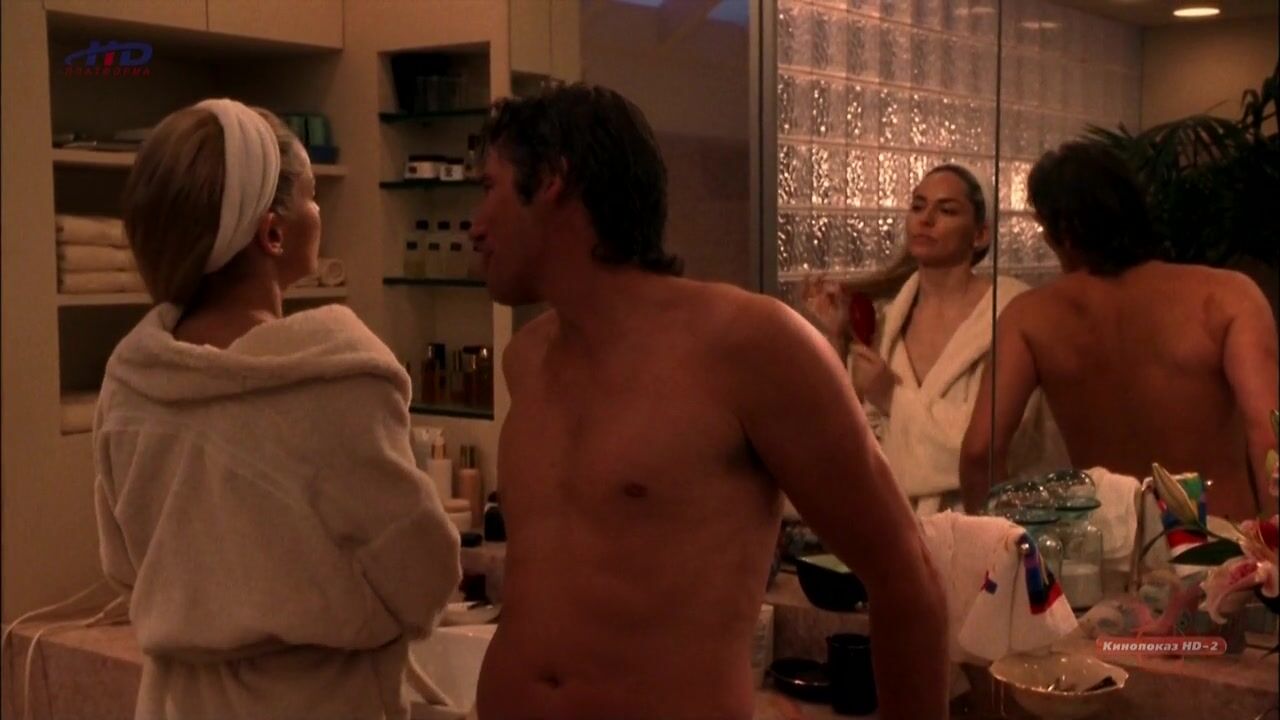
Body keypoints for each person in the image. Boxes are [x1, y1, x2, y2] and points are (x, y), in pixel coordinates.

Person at [467, 84, 948, 720]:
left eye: (489, 187)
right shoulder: (526, 360)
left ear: (553, 178)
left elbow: (905, 575)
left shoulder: (752, 345)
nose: (475, 226)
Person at [95, 99, 461, 719]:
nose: (320, 213)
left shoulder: (131, 385)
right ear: (272, 232)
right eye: (312, 198)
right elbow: (421, 574)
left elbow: (125, 568)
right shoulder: (336, 379)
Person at [960, 142, 1279, 521]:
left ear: (1064, 232)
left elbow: (979, 451)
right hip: (1214, 537)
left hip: (1111, 542)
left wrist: (995, 540)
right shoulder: (1226, 296)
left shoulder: (1027, 316)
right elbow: (1270, 437)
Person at [804, 165, 1067, 514]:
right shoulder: (886, 322)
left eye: (946, 210)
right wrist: (837, 338)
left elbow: (992, 447)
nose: (925, 219)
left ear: (980, 235)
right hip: (894, 523)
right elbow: (853, 441)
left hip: (980, 522)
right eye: (918, 206)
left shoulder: (1011, 314)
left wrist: (892, 397)